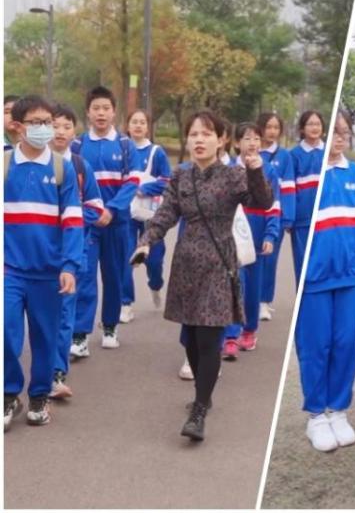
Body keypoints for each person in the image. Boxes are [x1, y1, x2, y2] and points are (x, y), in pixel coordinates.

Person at [131, 109, 273, 442]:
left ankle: (199, 410)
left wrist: (255, 170)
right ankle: (202, 392)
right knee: (192, 340)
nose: (199, 140)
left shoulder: (234, 175)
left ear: (222, 139)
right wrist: (146, 243)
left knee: (210, 339)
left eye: (206, 134)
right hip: (186, 265)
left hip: (219, 265)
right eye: (193, 134)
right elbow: (165, 214)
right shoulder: (181, 175)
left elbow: (263, 201)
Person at [4, 95, 83, 429]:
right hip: (9, 270)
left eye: (47, 122)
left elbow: (74, 221)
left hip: (49, 273)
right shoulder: (5, 165)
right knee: (5, 331)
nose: (44, 128)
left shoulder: (62, 167)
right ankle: (9, 395)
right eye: (36, 122)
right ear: (19, 127)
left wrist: (69, 266)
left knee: (45, 336)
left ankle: (39, 395)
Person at [296, 110, 355, 452]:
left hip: (350, 276)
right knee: (316, 345)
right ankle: (316, 416)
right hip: (315, 277)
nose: (338, 139)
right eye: (333, 132)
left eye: (343, 133)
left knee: (346, 342)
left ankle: (338, 410)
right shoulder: (310, 173)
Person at [70, 86, 137, 352]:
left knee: (114, 276)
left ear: (113, 112)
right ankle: (80, 335)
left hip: (117, 223)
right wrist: (92, 214)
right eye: (96, 108)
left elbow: (132, 182)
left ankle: (110, 327)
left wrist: (111, 209)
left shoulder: (124, 144)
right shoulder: (78, 145)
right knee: (84, 277)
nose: (101, 113)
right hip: (88, 225)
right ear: (88, 112)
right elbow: (73, 185)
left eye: (105, 108)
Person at [49, 104, 105, 401]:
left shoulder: (81, 167)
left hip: (71, 254)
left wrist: (69, 216)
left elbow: (96, 208)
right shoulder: (32, 165)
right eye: (54, 125)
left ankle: (57, 374)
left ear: (75, 131)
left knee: (63, 316)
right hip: (33, 257)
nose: (60, 132)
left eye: (66, 126)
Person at [222, 122, 281, 360]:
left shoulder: (269, 171)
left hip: (256, 234)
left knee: (253, 288)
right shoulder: (227, 170)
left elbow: (274, 206)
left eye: (257, 138)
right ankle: (230, 335)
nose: (253, 143)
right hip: (232, 235)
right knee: (235, 283)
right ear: (236, 143)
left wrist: (270, 235)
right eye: (247, 138)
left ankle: (250, 330)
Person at [122, 109, 172, 319]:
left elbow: (168, 181)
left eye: (143, 122)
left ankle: (155, 284)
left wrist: (145, 189)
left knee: (154, 260)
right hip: (127, 213)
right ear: (128, 125)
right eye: (135, 122)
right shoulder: (122, 149)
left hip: (151, 215)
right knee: (126, 257)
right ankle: (126, 304)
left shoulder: (156, 152)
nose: (139, 126)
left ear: (148, 126)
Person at [257, 111, 296, 321]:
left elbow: (289, 187)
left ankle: (264, 302)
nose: (272, 131)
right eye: (268, 127)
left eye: (276, 128)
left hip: (275, 215)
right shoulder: (252, 152)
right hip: (252, 215)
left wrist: (287, 217)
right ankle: (248, 300)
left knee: (269, 259)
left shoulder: (284, 156)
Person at [290, 111, 325, 286]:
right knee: (303, 264)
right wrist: (290, 217)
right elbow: (289, 188)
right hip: (302, 219)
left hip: (325, 219)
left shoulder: (327, 151)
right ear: (302, 129)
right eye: (310, 124)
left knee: (323, 263)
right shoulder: (294, 155)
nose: (314, 128)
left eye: (317, 124)